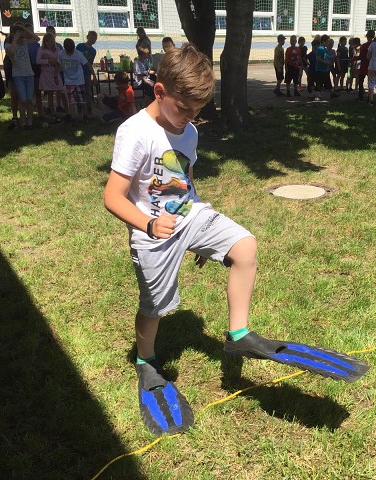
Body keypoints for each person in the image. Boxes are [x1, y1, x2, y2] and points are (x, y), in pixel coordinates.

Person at [102, 44, 258, 437]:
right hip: (153, 231)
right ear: (159, 92)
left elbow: (184, 181)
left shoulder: (188, 132)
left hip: (189, 214)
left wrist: (202, 237)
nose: (190, 118)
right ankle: (146, 361)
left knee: (245, 247)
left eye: (197, 112)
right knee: (154, 306)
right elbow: (112, 197)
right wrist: (149, 225)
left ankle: (238, 335)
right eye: (184, 109)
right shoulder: (135, 132)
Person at [5, 23, 40, 129]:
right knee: (23, 99)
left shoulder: (25, 42)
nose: (21, 35)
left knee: (29, 99)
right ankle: (23, 121)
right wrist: (15, 38)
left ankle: (30, 121)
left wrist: (25, 29)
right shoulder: (8, 45)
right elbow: (11, 53)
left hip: (29, 74)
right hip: (18, 75)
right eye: (18, 33)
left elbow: (37, 39)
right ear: (13, 34)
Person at [59, 38, 97, 123]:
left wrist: (94, 76)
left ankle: (85, 116)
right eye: (68, 51)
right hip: (68, 81)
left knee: (82, 100)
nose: (70, 53)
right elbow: (58, 64)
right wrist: (55, 76)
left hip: (79, 80)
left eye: (71, 51)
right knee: (71, 101)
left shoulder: (78, 54)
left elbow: (88, 65)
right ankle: (73, 118)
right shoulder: (61, 54)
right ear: (65, 48)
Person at [36, 32, 65, 122]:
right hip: (46, 73)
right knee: (50, 93)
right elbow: (38, 61)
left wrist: (49, 57)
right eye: (48, 41)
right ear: (44, 41)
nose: (50, 43)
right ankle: (52, 112)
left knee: (60, 90)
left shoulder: (57, 49)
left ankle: (61, 107)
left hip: (56, 73)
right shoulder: (41, 49)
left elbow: (59, 60)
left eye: (52, 41)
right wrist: (48, 60)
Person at [76, 31, 98, 115]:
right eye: (91, 38)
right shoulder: (80, 46)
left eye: (94, 39)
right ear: (87, 37)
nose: (92, 40)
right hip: (78, 72)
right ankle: (79, 107)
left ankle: (89, 108)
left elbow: (90, 63)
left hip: (87, 73)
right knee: (78, 90)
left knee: (88, 90)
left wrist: (93, 75)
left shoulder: (93, 51)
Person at [315, 34, 338, 100]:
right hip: (320, 69)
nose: (328, 43)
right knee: (319, 83)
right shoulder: (320, 49)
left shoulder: (325, 49)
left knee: (328, 82)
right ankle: (317, 95)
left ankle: (332, 93)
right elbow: (318, 58)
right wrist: (326, 62)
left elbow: (327, 57)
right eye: (327, 41)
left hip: (326, 69)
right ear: (323, 41)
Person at [357, 30, 375, 100]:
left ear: (367, 36)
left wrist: (355, 58)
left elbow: (361, 56)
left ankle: (361, 95)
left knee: (361, 81)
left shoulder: (363, 46)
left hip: (364, 64)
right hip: (371, 65)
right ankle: (370, 96)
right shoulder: (374, 45)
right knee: (371, 81)